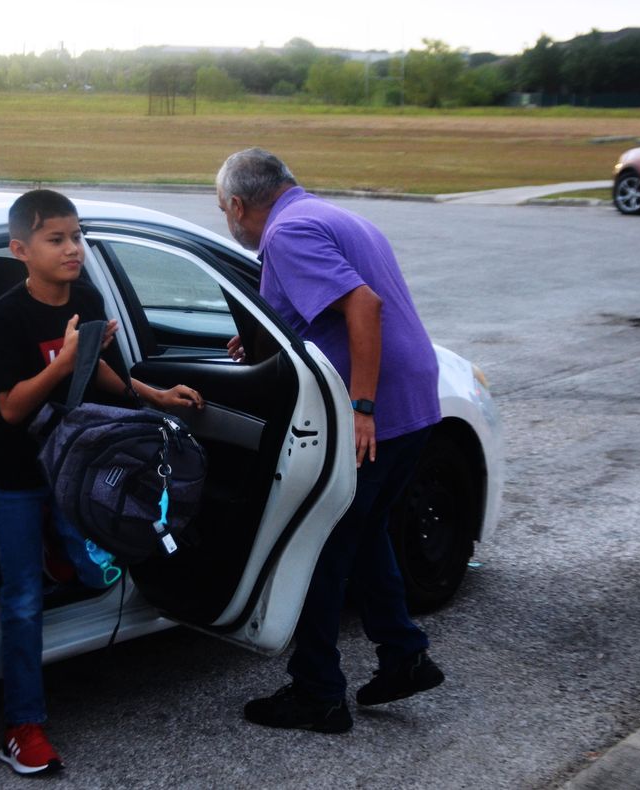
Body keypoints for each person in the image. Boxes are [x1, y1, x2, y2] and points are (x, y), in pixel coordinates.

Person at [216, 148, 444, 734]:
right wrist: (269, 336)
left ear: (237, 204)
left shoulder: (286, 234)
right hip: (415, 397)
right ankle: (403, 655)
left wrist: (361, 408)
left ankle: (318, 692)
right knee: (364, 532)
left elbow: (363, 306)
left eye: (222, 210)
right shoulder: (332, 216)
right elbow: (329, 316)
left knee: (319, 544)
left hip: (376, 406)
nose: (227, 220)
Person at [0, 188, 203, 775]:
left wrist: (153, 395)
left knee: (96, 566)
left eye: (76, 237)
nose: (72, 249)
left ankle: (64, 554)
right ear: (20, 250)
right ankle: (23, 726)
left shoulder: (84, 296)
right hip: (17, 471)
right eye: (56, 239)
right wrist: (61, 361)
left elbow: (97, 369)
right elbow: (10, 408)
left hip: (75, 464)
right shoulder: (6, 315)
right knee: (22, 599)